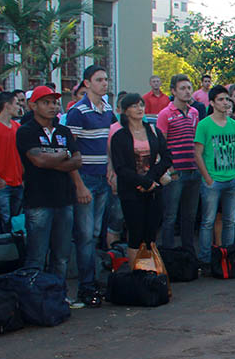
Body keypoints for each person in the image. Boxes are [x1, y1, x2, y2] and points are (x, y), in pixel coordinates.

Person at [16, 85, 82, 288]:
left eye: (54, 102)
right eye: (46, 102)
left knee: (61, 256)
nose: (53, 107)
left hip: (64, 200)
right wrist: (63, 155)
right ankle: (34, 299)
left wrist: (55, 160)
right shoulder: (26, 131)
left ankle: (58, 295)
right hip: (38, 202)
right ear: (33, 105)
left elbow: (78, 160)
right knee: (36, 256)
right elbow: (39, 161)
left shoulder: (63, 131)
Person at [64, 65, 115, 308]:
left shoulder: (108, 111)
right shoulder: (78, 111)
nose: (104, 84)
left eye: (106, 79)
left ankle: (92, 281)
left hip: (102, 179)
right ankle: (86, 286)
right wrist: (77, 184)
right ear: (87, 83)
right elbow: (70, 151)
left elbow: (110, 143)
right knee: (84, 236)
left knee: (95, 234)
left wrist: (111, 169)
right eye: (99, 80)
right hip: (84, 179)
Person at [110, 93, 171, 258]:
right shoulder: (119, 136)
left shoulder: (153, 131)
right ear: (125, 111)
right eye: (135, 106)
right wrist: (141, 181)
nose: (140, 109)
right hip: (131, 191)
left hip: (152, 189)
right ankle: (137, 274)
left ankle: (151, 272)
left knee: (151, 234)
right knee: (135, 234)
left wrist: (150, 178)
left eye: (141, 105)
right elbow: (120, 167)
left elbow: (167, 157)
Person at [194, 85, 235, 264]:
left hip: (232, 180)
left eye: (226, 99)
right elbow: (197, 153)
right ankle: (206, 259)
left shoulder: (234, 125)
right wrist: (207, 178)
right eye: (221, 99)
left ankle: (228, 256)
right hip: (213, 181)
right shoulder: (204, 125)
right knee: (208, 222)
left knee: (230, 221)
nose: (225, 103)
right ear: (213, 103)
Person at [157, 74, 202, 256]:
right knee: (170, 216)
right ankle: (168, 254)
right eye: (182, 88)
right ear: (173, 91)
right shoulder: (165, 114)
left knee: (189, 217)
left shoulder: (194, 113)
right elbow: (161, 144)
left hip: (193, 169)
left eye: (189, 88)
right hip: (175, 172)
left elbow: (196, 141)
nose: (187, 91)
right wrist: (168, 169)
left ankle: (188, 253)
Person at [0, 91, 24, 230]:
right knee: (3, 222)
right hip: (2, 183)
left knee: (15, 221)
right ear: (7, 105)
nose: (18, 106)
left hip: (17, 182)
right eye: (16, 103)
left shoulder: (17, 127)